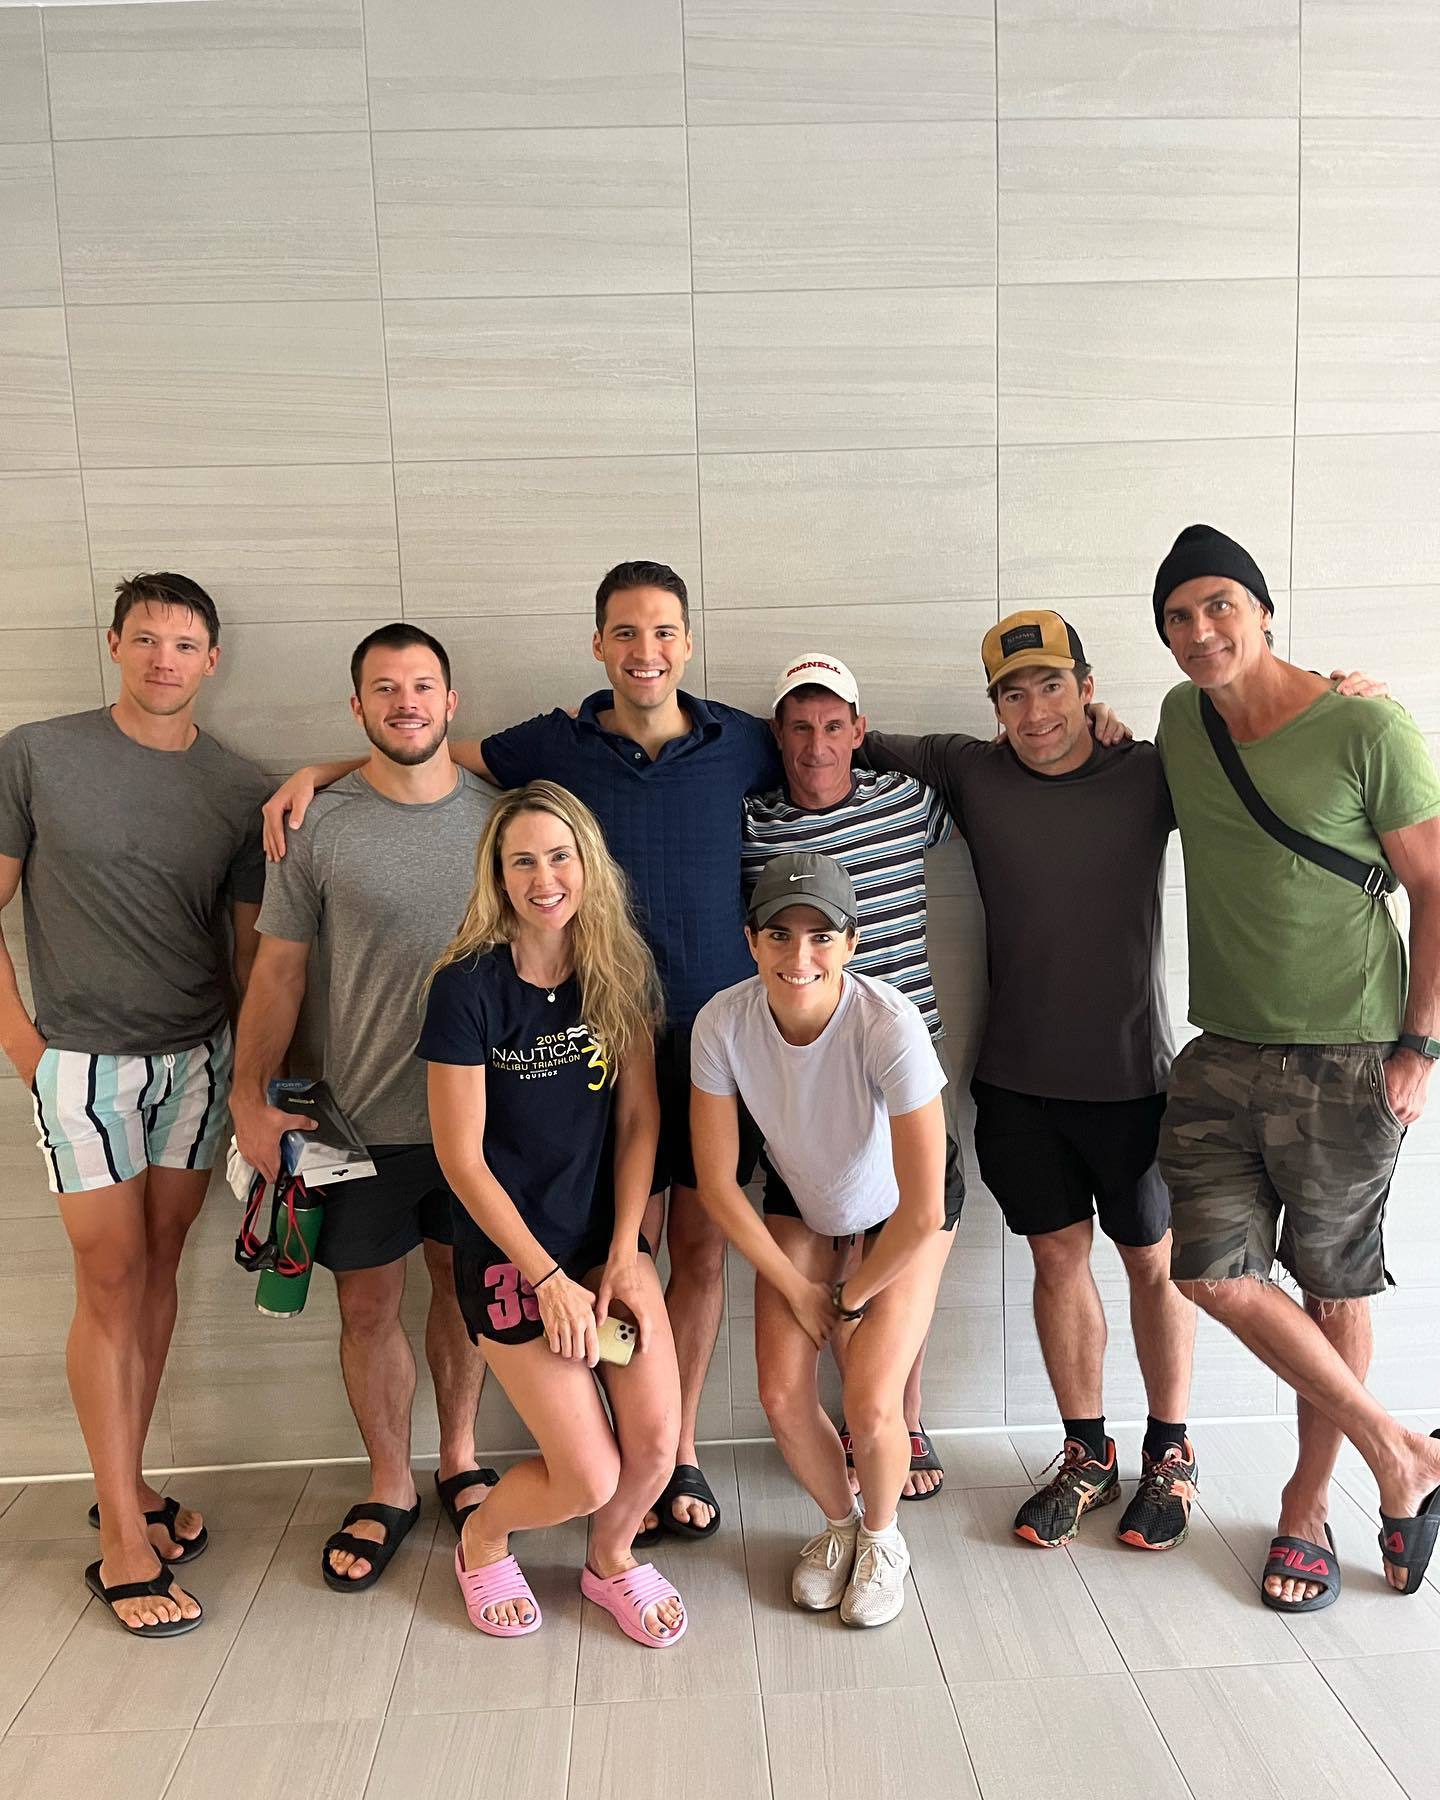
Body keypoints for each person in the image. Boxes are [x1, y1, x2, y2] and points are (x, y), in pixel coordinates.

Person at [262, 562, 781, 1543]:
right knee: (605, 1242)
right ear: (597, 644)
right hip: (574, 1040)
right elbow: (425, 749)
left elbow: (833, 745)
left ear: (687, 640)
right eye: (624, 632)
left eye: (662, 631)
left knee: (694, 1253)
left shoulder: (742, 740)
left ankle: (672, 1455)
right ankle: (586, 1461)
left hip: (709, 1043)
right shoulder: (555, 745)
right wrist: (319, 773)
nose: (645, 651)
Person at [865, 612, 1201, 1553]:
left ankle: (1171, 1453)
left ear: (1088, 688)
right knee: (1058, 1260)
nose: (1035, 709)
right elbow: (841, 735)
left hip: (1134, 1078)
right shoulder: (971, 769)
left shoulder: (1150, 772)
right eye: (1014, 694)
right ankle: (1087, 1455)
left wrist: (1339, 695)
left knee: (1152, 1261)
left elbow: (1258, 746)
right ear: (996, 708)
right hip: (1017, 1082)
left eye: (1052, 685)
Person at [1153, 523, 1440, 1611]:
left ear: (1263, 611)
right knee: (1210, 1274)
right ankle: (1401, 1452)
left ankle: (1308, 1503)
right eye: (1179, 617)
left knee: (1331, 1286)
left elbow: (1436, 885)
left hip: (1350, 1053)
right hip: (1222, 1048)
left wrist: (1420, 1046)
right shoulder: (1180, 719)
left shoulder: (1368, 726)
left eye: (1220, 605)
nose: (1201, 631)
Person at [0, 573, 271, 1636]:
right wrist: (27, 1050)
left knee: (157, 1270)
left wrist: (250, 1079)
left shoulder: (238, 787)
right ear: (115, 643)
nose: (166, 658)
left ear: (212, 660)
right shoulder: (37, 754)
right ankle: (121, 1536)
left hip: (195, 1065)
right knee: (109, 1279)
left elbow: (252, 959)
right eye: (148, 638)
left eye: (186, 643)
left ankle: (133, 1487)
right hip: (81, 1065)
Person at [230, 623, 498, 1593]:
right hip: (358, 1121)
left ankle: (460, 1460)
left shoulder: (506, 816)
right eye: (385, 688)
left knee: (464, 1294)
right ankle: (390, 1484)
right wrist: (248, 1098)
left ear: (451, 702)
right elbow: (278, 973)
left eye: (422, 685)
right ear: (357, 707)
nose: (405, 703)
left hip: (483, 1124)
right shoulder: (315, 826)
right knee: (368, 1305)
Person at [420, 781, 688, 1647]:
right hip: (511, 1261)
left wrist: (628, 1253)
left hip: (603, 1247)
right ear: (498, 876)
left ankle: (610, 1560)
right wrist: (547, 1280)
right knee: (586, 1475)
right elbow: (461, 1160)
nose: (545, 879)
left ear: (587, 864)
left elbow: (640, 1119)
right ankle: (483, 1536)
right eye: (523, 861)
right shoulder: (465, 988)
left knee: (655, 1447)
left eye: (560, 857)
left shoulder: (619, 967)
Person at [691, 852, 954, 1628]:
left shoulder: (889, 1024)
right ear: (751, 942)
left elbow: (923, 1207)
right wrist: (799, 1289)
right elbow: (717, 1185)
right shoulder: (722, 1022)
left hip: (902, 1209)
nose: (798, 956)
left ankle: (884, 1537)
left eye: (820, 936)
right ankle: (841, 1526)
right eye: (779, 934)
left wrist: (847, 1298)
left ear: (852, 943)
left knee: (870, 1402)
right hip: (803, 1196)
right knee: (780, 1393)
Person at [742, 652, 965, 1500]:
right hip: (800, 1066)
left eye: (834, 726)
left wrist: (1099, 730)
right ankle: (857, 1421)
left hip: (904, 1069)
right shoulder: (752, 823)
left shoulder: (908, 803)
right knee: (828, 1232)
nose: (817, 745)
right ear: (777, 735)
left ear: (860, 731)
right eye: (800, 728)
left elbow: (1001, 784)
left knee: (900, 1245)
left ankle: (900, 1416)